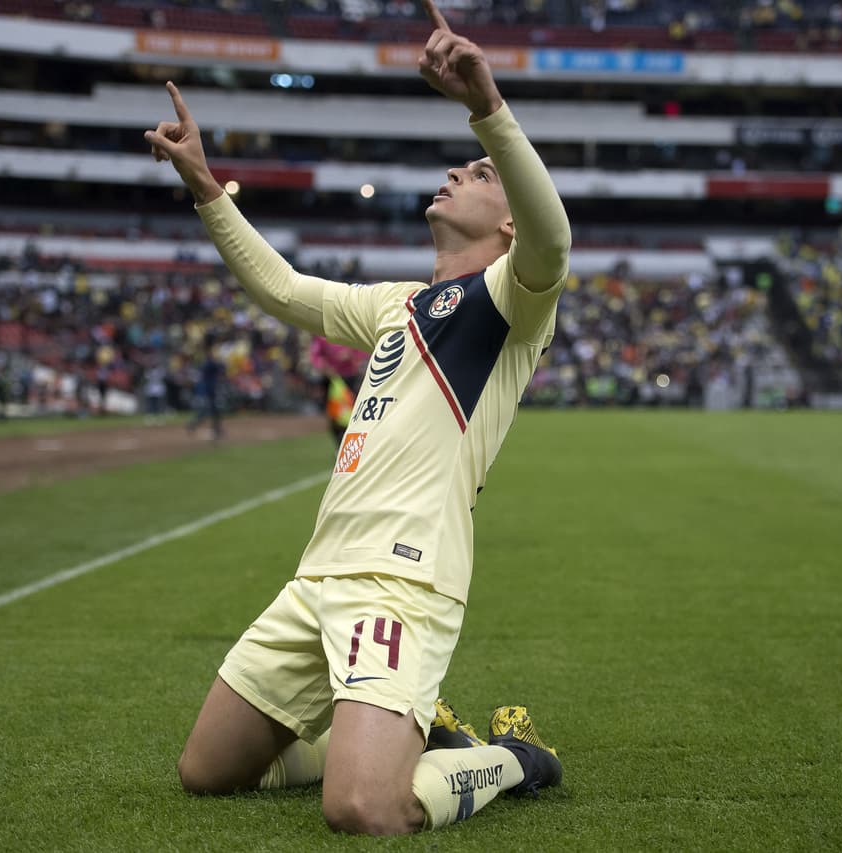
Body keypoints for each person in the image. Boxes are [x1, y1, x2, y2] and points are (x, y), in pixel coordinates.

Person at [144, 0, 571, 836]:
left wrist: (488, 111)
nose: (461, 173)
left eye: (479, 174)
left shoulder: (510, 300)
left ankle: (517, 757)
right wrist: (204, 186)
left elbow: (553, 239)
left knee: (365, 807)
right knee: (207, 773)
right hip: (318, 575)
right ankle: (395, 726)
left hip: (401, 580)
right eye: (465, 165)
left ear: (507, 221)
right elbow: (284, 288)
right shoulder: (395, 305)